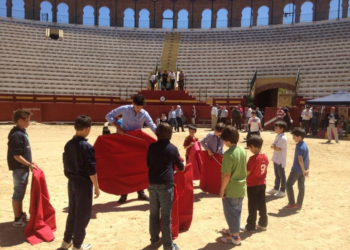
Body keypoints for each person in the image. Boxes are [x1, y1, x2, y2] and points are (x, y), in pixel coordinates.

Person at [105, 94, 156, 203]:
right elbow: (108, 116)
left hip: (137, 143)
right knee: (125, 167)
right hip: (124, 141)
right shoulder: (125, 109)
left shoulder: (145, 114)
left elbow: (152, 126)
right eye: (137, 107)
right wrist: (118, 127)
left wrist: (162, 137)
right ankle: (124, 193)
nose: (138, 110)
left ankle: (140, 192)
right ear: (133, 104)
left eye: (140, 107)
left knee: (139, 167)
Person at [60, 115, 100, 250]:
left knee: (73, 212)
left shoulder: (68, 144)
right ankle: (77, 245)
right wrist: (96, 186)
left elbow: (65, 163)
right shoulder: (87, 147)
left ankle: (66, 241)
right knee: (82, 215)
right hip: (83, 185)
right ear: (87, 128)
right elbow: (91, 170)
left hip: (71, 183)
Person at [147, 123, 184, 250]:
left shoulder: (151, 146)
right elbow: (181, 166)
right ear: (170, 134)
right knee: (166, 216)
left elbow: (148, 163)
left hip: (152, 183)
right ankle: (168, 246)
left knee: (153, 214)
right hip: (166, 184)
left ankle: (154, 241)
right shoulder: (172, 148)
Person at [7, 109, 36, 227]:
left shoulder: (22, 132)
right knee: (18, 193)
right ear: (20, 121)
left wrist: (29, 162)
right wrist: (28, 164)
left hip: (22, 167)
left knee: (21, 192)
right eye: (28, 120)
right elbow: (17, 155)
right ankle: (17, 219)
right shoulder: (16, 135)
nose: (29, 122)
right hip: (19, 168)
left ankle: (20, 214)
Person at [219, 126, 247, 246]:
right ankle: (233, 230)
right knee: (237, 211)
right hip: (241, 188)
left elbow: (226, 175)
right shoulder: (242, 150)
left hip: (231, 189)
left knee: (231, 212)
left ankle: (235, 237)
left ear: (227, 140)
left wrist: (222, 189)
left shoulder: (228, 154)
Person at [241, 135, 269, 232]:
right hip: (262, 183)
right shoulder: (265, 157)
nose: (250, 149)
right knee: (262, 204)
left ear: (252, 146)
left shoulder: (253, 159)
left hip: (253, 185)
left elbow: (247, 173)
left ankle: (251, 225)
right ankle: (263, 223)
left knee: (252, 205)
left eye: (250, 147)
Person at [283, 128, 310, 210]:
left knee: (288, 184)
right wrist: (306, 169)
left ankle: (292, 203)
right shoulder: (305, 145)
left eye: (294, 136)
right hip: (303, 170)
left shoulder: (298, 146)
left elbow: (300, 159)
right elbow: (308, 158)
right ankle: (299, 204)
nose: (293, 138)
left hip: (297, 170)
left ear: (299, 136)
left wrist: (302, 170)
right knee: (301, 186)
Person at [267, 121, 287, 198]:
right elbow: (272, 146)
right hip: (276, 158)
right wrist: (274, 147)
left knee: (282, 175)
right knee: (277, 174)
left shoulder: (283, 138)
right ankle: (276, 188)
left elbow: (277, 148)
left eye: (276, 128)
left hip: (280, 159)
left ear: (281, 129)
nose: (275, 129)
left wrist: (274, 147)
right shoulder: (278, 136)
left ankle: (282, 190)